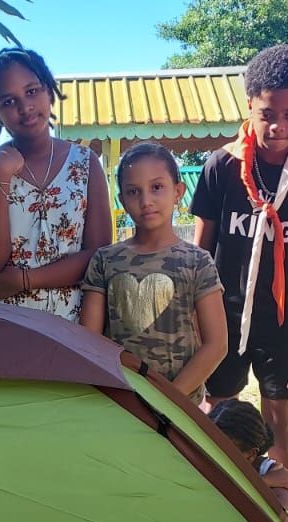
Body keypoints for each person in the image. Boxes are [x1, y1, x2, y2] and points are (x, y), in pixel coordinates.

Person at [191, 44, 288, 479]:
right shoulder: (221, 166)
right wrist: (197, 322)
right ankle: (221, 499)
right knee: (219, 412)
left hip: (285, 319)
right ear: (249, 106)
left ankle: (281, 507)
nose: (278, 126)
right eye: (267, 114)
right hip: (223, 315)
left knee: (280, 416)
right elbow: (199, 257)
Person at [0, 47, 110, 322]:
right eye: (9, 101)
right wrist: (0, 176)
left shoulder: (85, 163)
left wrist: (25, 280)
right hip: (5, 322)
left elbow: (98, 256)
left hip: (74, 325)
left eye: (32, 91)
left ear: (49, 92)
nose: (25, 107)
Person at [80, 143, 227, 399]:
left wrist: (170, 400)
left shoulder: (198, 262)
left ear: (178, 191)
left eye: (156, 187)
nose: (146, 201)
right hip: (121, 401)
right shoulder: (105, 260)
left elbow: (216, 344)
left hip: (181, 407)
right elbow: (90, 342)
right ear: (122, 200)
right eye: (133, 191)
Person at [209, 399, 288, 512]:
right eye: (210, 445)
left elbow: (282, 516)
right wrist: (262, 482)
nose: (213, 455)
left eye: (223, 451)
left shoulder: (276, 478)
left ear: (250, 455)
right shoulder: (200, 458)